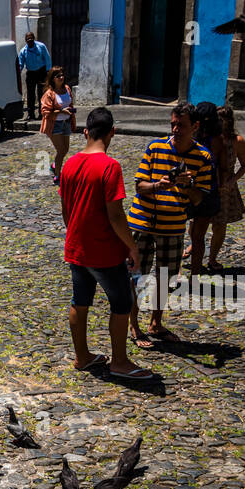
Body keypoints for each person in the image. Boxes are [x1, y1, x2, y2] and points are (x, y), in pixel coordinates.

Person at [59, 108, 153, 382]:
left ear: (86, 132)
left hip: (77, 247)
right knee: (121, 304)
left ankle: (82, 356)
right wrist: (131, 248)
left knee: (80, 301)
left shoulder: (69, 164)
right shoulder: (110, 166)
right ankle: (120, 362)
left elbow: (66, 210)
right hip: (105, 252)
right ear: (112, 132)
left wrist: (75, 233)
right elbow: (115, 215)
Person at [126, 102, 212, 348]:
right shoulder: (155, 148)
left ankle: (156, 322)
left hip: (172, 227)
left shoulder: (203, 157)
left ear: (195, 127)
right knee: (136, 277)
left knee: (166, 278)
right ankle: (134, 326)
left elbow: (198, 199)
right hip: (141, 223)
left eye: (181, 125)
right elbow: (139, 186)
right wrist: (157, 186)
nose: (175, 129)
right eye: (173, 123)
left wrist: (187, 185)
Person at [207, 105, 245, 272]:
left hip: (225, 189)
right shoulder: (208, 138)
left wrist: (233, 180)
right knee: (196, 224)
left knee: (219, 226)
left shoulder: (237, 141)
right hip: (207, 186)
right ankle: (194, 248)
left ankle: (212, 258)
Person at [184, 101, 223, 274]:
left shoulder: (190, 136)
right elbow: (221, 167)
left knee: (178, 233)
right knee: (198, 237)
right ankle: (195, 273)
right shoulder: (217, 139)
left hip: (188, 188)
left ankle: (175, 273)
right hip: (208, 189)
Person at [40, 67, 76, 184]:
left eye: (62, 75)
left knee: (65, 149)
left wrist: (70, 111)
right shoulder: (49, 94)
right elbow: (45, 112)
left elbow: (69, 102)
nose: (61, 77)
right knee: (61, 150)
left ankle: (55, 165)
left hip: (66, 122)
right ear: (53, 79)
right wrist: (61, 111)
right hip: (55, 124)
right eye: (58, 76)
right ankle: (57, 175)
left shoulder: (67, 89)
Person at [19, 33, 52, 121]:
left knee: (42, 93)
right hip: (31, 74)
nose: (30, 41)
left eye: (31, 39)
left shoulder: (41, 46)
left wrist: (48, 71)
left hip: (41, 72)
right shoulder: (23, 51)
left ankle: (42, 113)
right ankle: (31, 114)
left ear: (34, 39)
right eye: (28, 39)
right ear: (26, 41)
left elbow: (47, 58)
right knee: (30, 95)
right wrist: (17, 73)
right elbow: (20, 64)